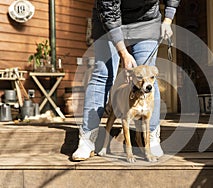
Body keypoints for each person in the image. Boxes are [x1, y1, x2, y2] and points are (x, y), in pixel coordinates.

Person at [72, 0, 181, 161]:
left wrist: (168, 19)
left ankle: (150, 136)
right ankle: (88, 139)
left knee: (148, 75)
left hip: (146, 21)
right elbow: (109, 10)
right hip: (108, 23)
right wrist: (123, 53)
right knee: (102, 73)